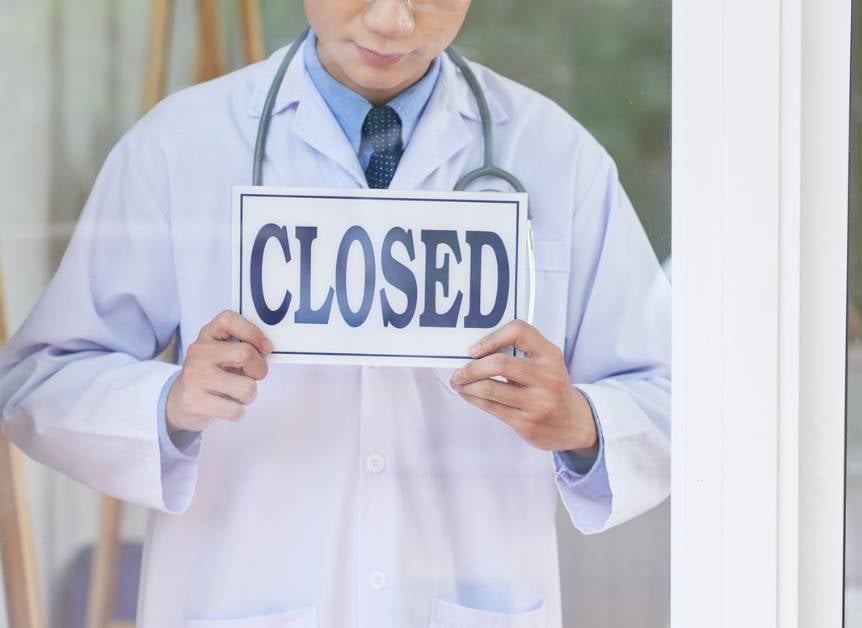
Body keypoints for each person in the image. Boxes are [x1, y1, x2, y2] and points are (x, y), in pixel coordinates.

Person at [0, 1, 670, 625]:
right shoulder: (179, 148)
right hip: (240, 597)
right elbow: (39, 381)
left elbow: (673, 400)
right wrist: (169, 403)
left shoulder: (558, 158)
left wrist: (582, 423)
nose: (391, 21)